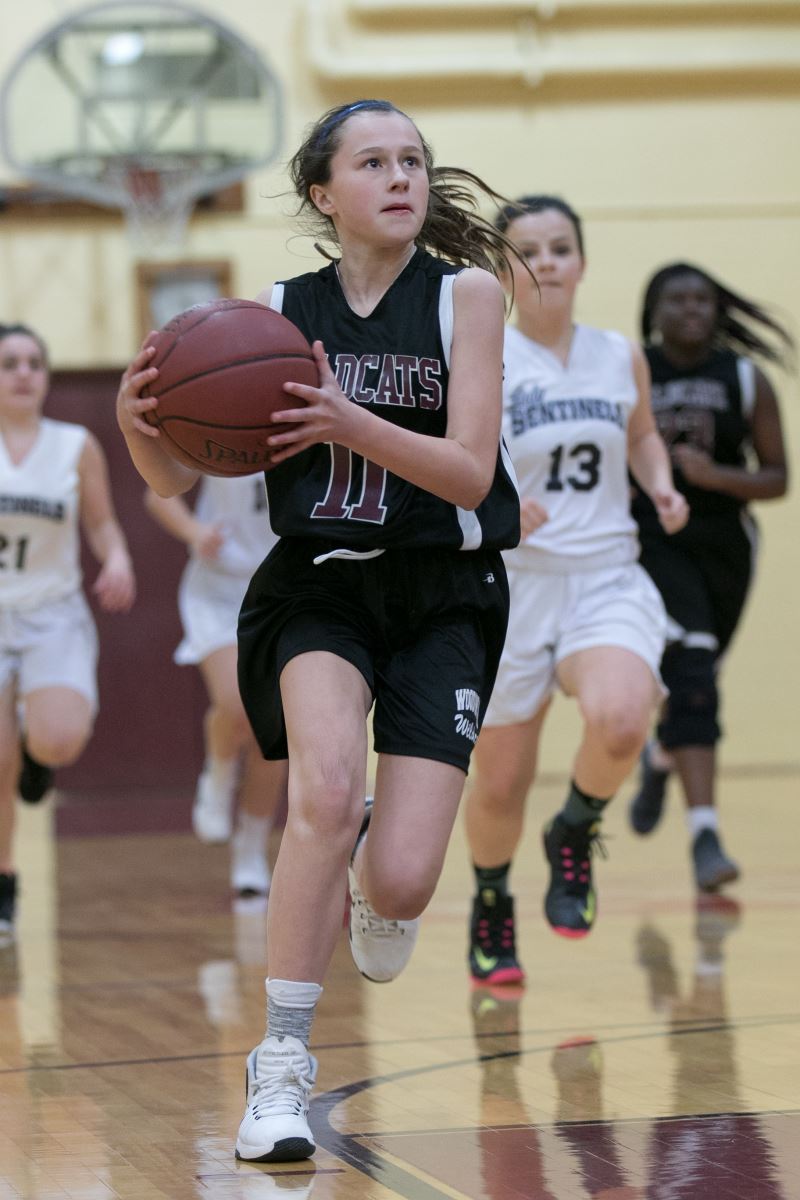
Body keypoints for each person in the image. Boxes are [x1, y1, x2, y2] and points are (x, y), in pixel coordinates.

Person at [116, 98, 525, 1163]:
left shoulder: (464, 297)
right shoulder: (276, 315)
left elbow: (469, 472)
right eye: (373, 162)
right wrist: (136, 429)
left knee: (396, 881)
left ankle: (378, 883)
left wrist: (350, 421)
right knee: (323, 794)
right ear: (321, 192)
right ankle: (280, 1067)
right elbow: (178, 471)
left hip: (444, 590)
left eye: (413, 161)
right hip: (320, 588)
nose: (400, 178)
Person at [464, 196, 688, 987]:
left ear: (583, 263)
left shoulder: (619, 353)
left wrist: (659, 485)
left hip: (605, 576)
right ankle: (492, 902)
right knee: (499, 780)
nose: (548, 261)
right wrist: (495, 505)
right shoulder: (482, 356)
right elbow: (454, 458)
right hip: (515, 583)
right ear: (506, 272)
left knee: (624, 718)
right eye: (529, 250)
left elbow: (641, 435)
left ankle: (576, 827)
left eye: (562, 247)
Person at [628, 262, 792, 891]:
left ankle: (661, 752)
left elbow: (777, 479)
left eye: (703, 299)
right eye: (678, 299)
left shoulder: (745, 379)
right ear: (655, 311)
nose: (692, 309)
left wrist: (715, 475)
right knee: (693, 669)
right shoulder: (633, 371)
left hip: (725, 547)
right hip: (653, 538)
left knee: (697, 679)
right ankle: (706, 836)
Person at [0, 323, 135, 939]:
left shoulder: (75, 443)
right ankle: (5, 880)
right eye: (10, 363)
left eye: (33, 362)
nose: (23, 373)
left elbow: (102, 524)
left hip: (52, 612)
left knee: (58, 741)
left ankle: (36, 750)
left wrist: (118, 558)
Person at [144, 476, 287, 896]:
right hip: (220, 586)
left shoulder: (311, 419)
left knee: (273, 733)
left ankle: (251, 849)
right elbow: (157, 494)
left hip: (286, 587)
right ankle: (219, 771)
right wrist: (195, 531)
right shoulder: (218, 414)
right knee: (237, 704)